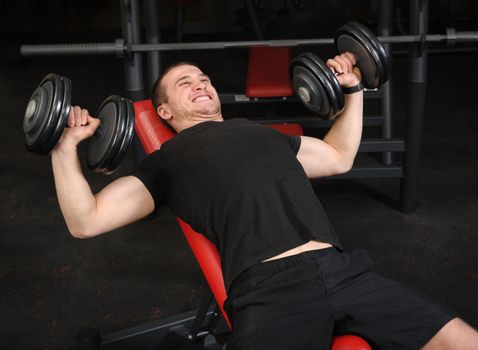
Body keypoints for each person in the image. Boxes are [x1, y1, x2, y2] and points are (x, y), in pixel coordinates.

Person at [50, 54, 478, 349]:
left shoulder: (262, 134)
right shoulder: (166, 163)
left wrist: (353, 90)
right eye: (185, 83)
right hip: (271, 291)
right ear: (163, 112)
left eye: (204, 79)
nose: (201, 84)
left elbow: (338, 157)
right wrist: (65, 146)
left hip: (345, 271)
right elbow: (86, 220)